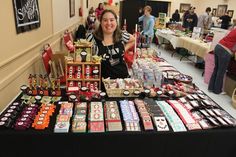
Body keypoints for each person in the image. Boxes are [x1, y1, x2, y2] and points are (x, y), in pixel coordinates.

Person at [86, 9, 135, 79]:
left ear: (116, 21)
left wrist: (124, 49)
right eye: (105, 20)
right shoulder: (92, 38)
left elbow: (133, 40)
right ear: (101, 22)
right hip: (103, 82)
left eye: (112, 20)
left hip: (122, 80)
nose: (109, 23)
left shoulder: (121, 35)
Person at [208, 28, 236, 94]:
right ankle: (217, 90)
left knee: (216, 68)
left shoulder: (234, 29)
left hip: (218, 46)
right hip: (225, 50)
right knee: (221, 71)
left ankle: (211, 87)